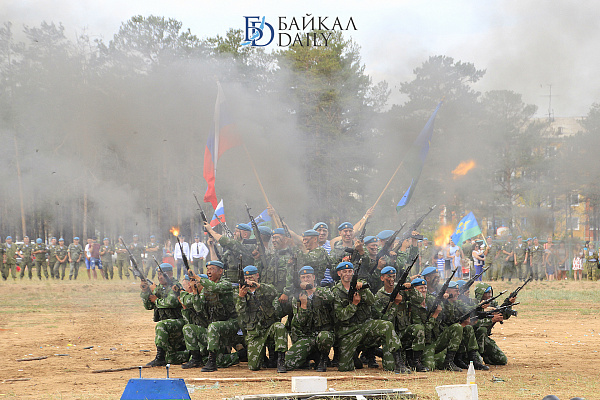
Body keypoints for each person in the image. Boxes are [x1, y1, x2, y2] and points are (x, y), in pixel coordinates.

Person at [332, 261, 407, 373]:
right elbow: (340, 316)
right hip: (348, 331)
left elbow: (372, 301)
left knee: (387, 326)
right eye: (344, 271)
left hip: (365, 326)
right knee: (344, 368)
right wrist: (354, 305)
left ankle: (398, 362)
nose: (348, 274)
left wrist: (362, 290)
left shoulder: (361, 284)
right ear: (339, 273)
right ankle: (355, 357)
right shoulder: (336, 291)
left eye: (350, 271)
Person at [373, 266, 427, 372]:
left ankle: (416, 362)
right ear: (382, 278)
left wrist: (411, 289)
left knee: (419, 328)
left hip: (403, 332)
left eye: (393, 276)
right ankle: (379, 352)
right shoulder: (379, 296)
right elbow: (384, 320)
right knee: (390, 367)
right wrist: (395, 304)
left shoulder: (401, 290)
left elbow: (420, 299)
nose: (391, 279)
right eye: (389, 277)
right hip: (389, 337)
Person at [237, 265, 287, 372]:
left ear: (257, 276)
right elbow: (240, 312)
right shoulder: (241, 292)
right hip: (255, 331)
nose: (248, 281)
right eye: (246, 278)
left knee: (279, 327)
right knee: (253, 366)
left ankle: (281, 360)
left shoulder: (265, 288)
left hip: (269, 328)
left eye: (251, 278)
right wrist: (241, 297)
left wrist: (258, 286)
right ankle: (263, 359)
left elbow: (274, 292)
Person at [285, 266, 335, 372]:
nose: (306, 279)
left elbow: (330, 297)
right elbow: (299, 322)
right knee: (289, 363)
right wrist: (303, 306)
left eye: (308, 277)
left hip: (322, 334)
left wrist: (312, 289)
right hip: (307, 337)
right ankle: (308, 358)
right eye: (303, 277)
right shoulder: (298, 297)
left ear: (314, 277)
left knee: (325, 336)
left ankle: (323, 359)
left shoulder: (323, 291)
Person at [141, 263, 187, 367]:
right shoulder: (160, 288)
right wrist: (145, 291)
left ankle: (160, 357)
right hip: (169, 325)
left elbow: (171, 302)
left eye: (163, 274)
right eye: (159, 275)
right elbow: (148, 306)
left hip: (179, 322)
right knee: (171, 358)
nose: (160, 277)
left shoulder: (175, 286)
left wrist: (156, 300)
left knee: (161, 325)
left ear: (170, 274)